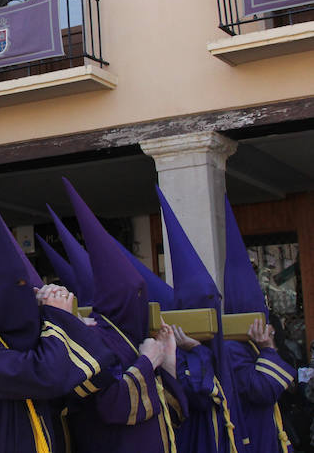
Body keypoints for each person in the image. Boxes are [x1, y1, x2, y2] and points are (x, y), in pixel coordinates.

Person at [0, 129, 116, 453]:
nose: (28, 295)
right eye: (20, 288)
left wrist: (70, 325)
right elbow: (42, 376)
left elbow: (83, 382)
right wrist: (60, 320)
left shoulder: (3, 336)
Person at [61, 179, 187, 453]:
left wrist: (168, 362)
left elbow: (172, 412)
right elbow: (113, 406)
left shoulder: (135, 338)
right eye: (135, 295)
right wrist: (147, 361)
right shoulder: (93, 339)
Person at [158, 188, 247, 453]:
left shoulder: (228, 345)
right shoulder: (179, 350)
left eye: (214, 299)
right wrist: (195, 351)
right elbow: (199, 396)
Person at [222, 198, 294, 453]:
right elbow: (263, 391)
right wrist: (267, 348)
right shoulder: (231, 348)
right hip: (250, 436)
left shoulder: (246, 345)